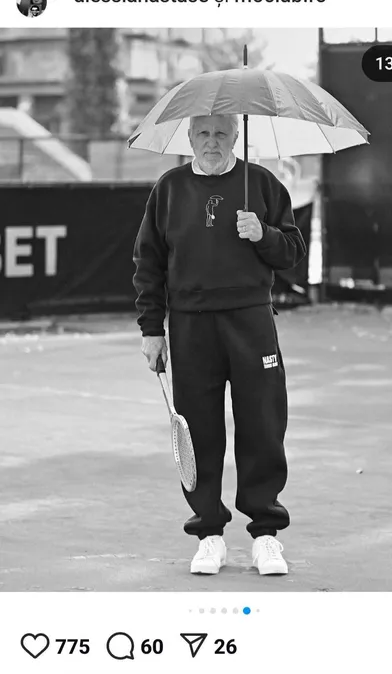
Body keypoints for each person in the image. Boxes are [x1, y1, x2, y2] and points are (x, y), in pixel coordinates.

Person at [133, 114, 306, 576]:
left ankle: (266, 535)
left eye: (222, 133)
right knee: (199, 430)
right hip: (191, 328)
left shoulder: (262, 184)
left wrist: (263, 234)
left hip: (252, 322)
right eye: (204, 134)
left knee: (263, 425)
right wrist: (152, 330)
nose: (213, 142)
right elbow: (148, 264)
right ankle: (209, 535)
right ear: (190, 138)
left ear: (236, 136)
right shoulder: (169, 189)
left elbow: (293, 252)